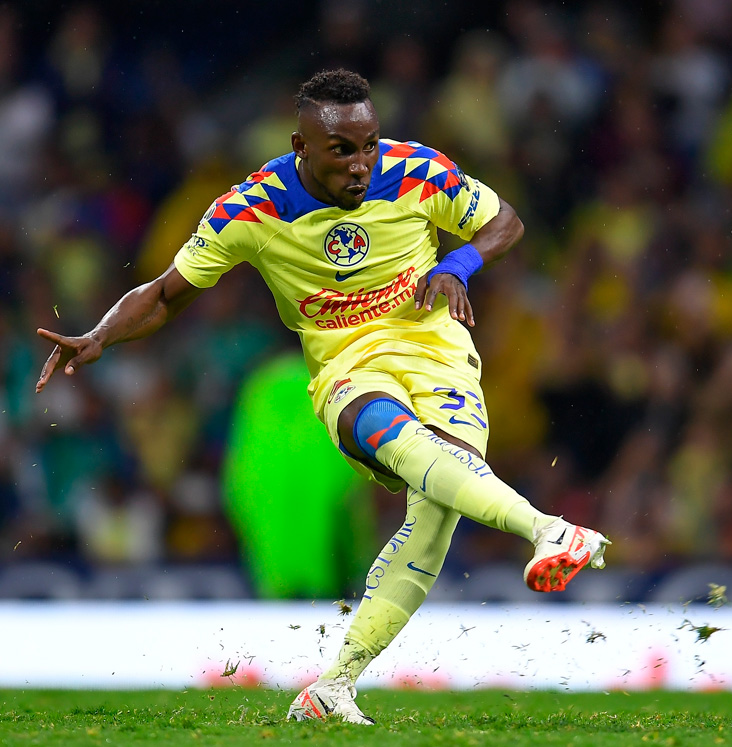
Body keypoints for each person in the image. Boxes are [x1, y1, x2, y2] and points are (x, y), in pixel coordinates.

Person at [34, 69, 610, 725]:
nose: (362, 164)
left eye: (369, 145)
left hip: (441, 353)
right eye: (342, 150)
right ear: (301, 145)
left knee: (434, 515)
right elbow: (168, 290)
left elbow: (504, 221)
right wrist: (100, 335)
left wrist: (458, 263)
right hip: (346, 365)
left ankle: (334, 685)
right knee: (401, 441)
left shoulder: (417, 170)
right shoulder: (252, 207)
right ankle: (549, 528)